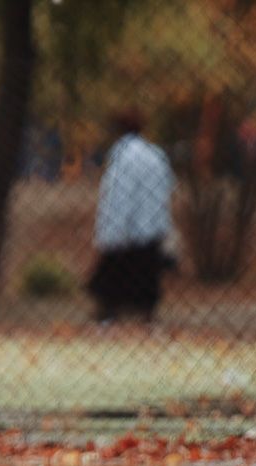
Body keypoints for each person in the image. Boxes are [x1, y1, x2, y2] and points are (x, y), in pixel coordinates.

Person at [87, 109, 177, 322]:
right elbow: (168, 186)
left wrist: (113, 230)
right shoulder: (155, 154)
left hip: (127, 227)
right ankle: (146, 312)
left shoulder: (122, 156)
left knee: (116, 271)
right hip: (151, 224)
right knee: (147, 272)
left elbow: (119, 195)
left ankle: (110, 310)